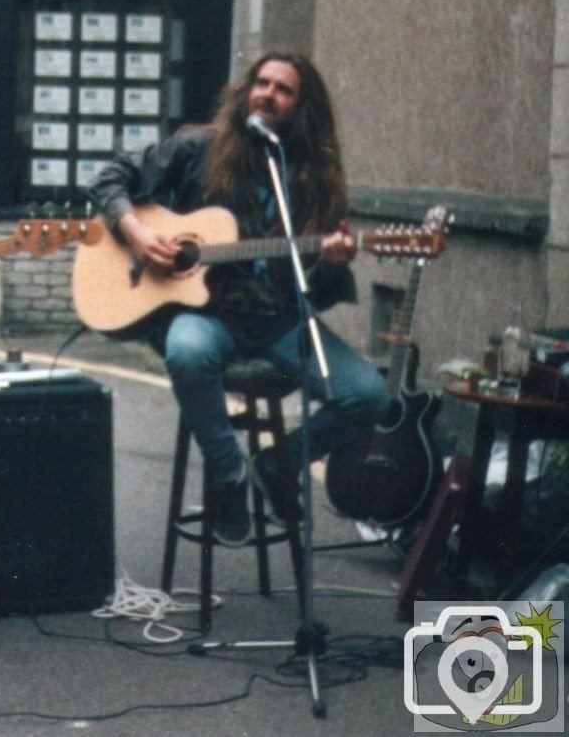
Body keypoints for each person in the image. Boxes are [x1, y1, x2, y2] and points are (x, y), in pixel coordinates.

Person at [88, 51, 389, 546]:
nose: (267, 94)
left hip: (281, 322)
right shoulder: (197, 147)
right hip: (206, 317)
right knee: (187, 351)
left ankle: (279, 463)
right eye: (261, 83)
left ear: (303, 106)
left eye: (283, 89)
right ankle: (230, 475)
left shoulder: (315, 179)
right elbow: (109, 179)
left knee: (368, 395)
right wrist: (138, 233)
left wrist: (332, 262)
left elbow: (313, 280)